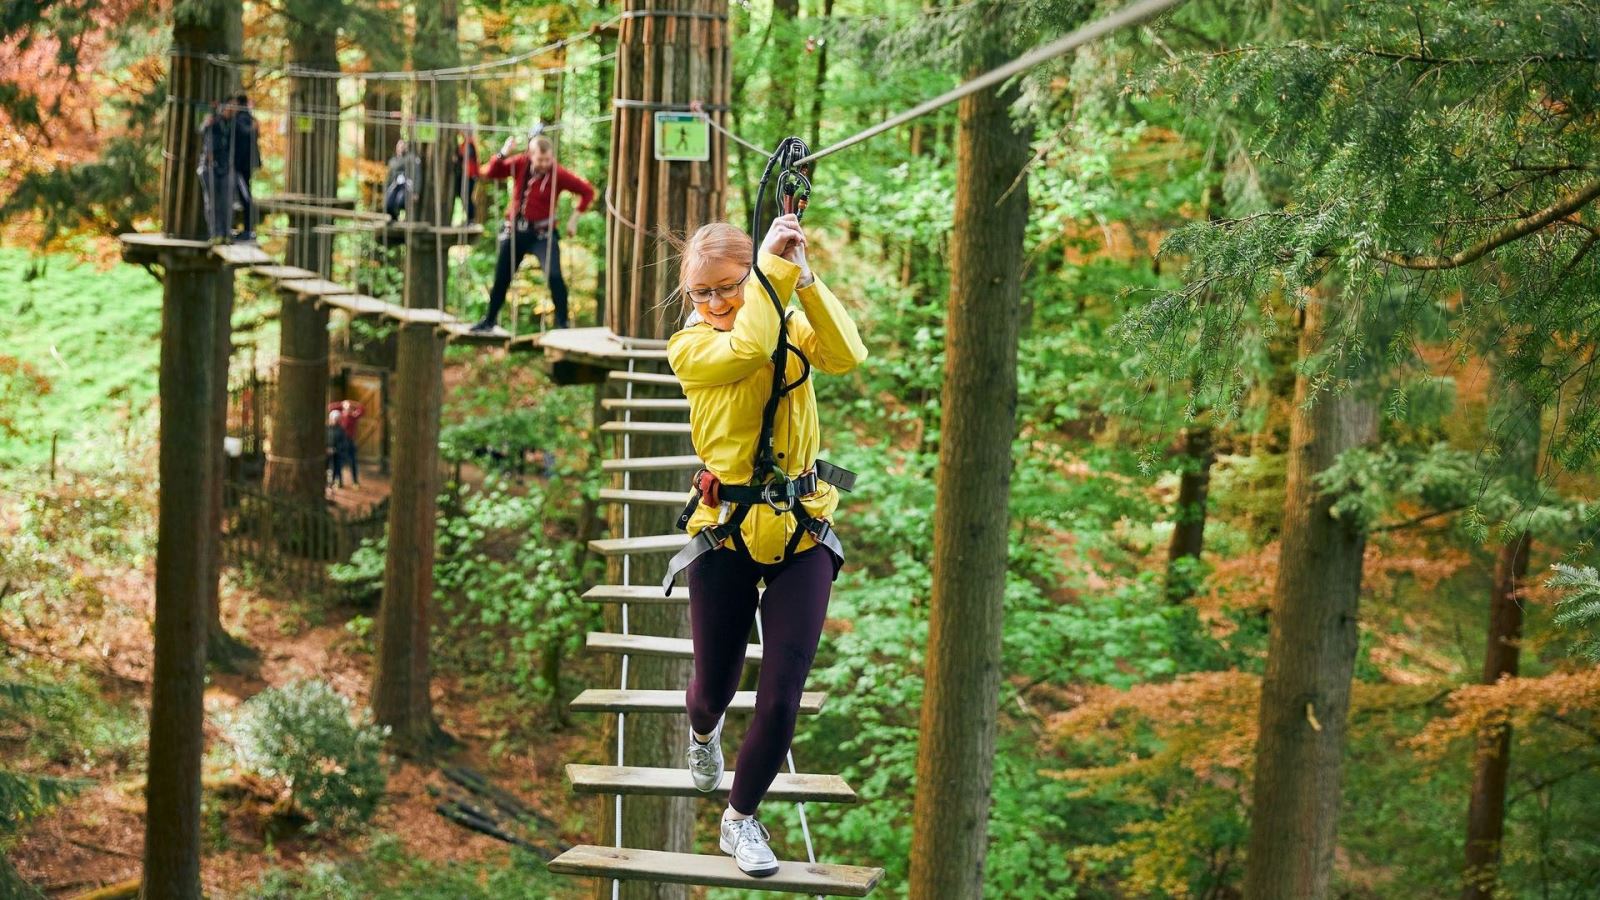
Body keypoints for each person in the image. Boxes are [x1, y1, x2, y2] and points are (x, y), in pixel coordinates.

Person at [666, 214, 867, 877]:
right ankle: (703, 733)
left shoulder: (785, 319)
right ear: (689, 296)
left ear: (750, 280)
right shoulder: (689, 348)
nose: (718, 302)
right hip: (725, 532)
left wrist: (802, 279)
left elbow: (846, 355)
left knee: (780, 696)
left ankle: (740, 818)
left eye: (729, 287)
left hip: (802, 528)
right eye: (704, 291)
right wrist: (767, 279)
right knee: (714, 687)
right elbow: (749, 351)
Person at [467, 133, 595, 332]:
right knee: (502, 278)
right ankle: (489, 320)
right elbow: (491, 173)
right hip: (515, 232)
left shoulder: (557, 174)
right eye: (540, 159)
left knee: (554, 276)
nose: (545, 163)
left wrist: (573, 219)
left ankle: (563, 323)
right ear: (530, 155)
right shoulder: (520, 164)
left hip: (543, 235)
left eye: (548, 159)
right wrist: (503, 153)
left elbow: (587, 191)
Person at [198, 99, 239, 244]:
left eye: (235, 107)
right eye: (230, 106)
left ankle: (226, 234)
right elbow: (202, 130)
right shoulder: (213, 121)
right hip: (210, 167)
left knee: (227, 202)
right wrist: (206, 122)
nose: (232, 109)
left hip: (227, 167)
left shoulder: (234, 125)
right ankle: (215, 234)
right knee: (212, 202)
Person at [230, 93, 260, 242]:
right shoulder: (250, 119)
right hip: (247, 164)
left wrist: (235, 164)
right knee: (243, 196)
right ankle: (247, 229)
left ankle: (248, 230)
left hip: (241, 166)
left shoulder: (240, 120)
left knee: (245, 197)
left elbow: (242, 143)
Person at [327, 399, 364, 485]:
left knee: (353, 462)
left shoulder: (353, 416)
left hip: (350, 442)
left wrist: (351, 403)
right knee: (338, 463)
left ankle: (355, 481)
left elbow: (362, 409)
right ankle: (339, 481)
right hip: (340, 443)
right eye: (346, 408)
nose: (348, 410)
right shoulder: (341, 416)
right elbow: (330, 407)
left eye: (350, 408)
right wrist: (342, 403)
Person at [384, 139, 421, 220]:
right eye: (399, 146)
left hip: (406, 187)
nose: (401, 148)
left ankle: (405, 219)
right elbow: (389, 178)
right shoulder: (393, 161)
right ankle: (394, 219)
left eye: (403, 146)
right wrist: (386, 190)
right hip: (394, 186)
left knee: (400, 201)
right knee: (388, 203)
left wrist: (416, 192)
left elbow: (417, 175)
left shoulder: (412, 159)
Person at [451, 134, 478, 225]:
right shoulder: (465, 144)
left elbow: (466, 156)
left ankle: (471, 219)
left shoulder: (470, 144)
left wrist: (457, 158)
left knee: (467, 197)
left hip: (469, 176)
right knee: (463, 196)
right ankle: (469, 219)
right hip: (464, 175)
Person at [326, 410, 353, 489]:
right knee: (327, 468)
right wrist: (327, 448)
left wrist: (335, 449)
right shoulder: (327, 428)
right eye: (334, 418)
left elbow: (343, 443)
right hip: (327, 452)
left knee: (337, 468)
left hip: (337, 452)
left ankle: (337, 482)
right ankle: (328, 482)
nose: (335, 420)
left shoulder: (341, 430)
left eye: (337, 419)